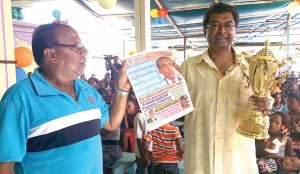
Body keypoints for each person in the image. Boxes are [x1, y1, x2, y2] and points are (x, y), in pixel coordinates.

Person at [0, 23, 131, 174]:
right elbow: (5, 165)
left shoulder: (87, 89)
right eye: (76, 46)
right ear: (51, 54)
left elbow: (111, 123)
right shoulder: (19, 98)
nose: (85, 51)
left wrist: (123, 88)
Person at [180, 2, 271, 174]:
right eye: (215, 25)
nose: (222, 31)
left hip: (239, 164)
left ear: (235, 30)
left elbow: (267, 105)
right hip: (200, 163)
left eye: (228, 25)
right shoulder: (188, 67)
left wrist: (265, 106)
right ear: (205, 31)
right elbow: (174, 108)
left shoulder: (253, 67)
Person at [285, 91, 300, 157]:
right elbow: (282, 135)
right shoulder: (285, 115)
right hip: (286, 147)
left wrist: (298, 130)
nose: (288, 103)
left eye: (292, 101)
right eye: (288, 101)